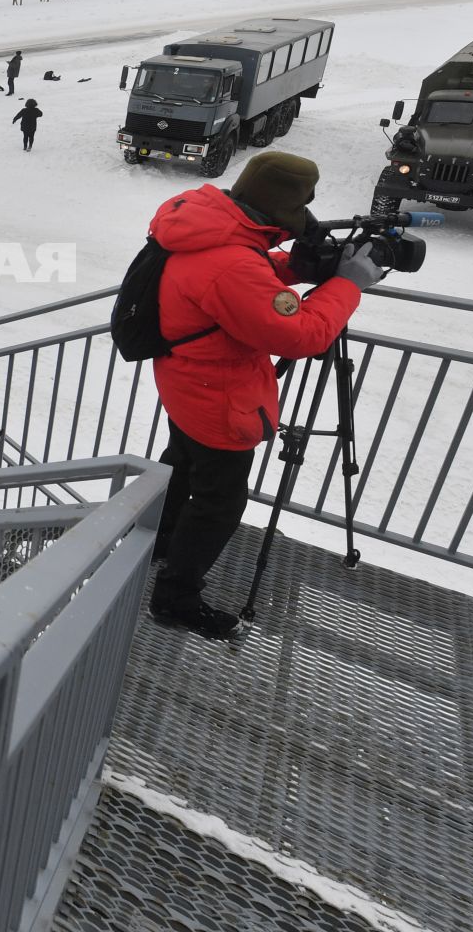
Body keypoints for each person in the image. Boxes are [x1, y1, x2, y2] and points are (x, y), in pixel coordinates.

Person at [147, 151, 378, 640]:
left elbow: (241, 271)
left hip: (186, 382)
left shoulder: (202, 225)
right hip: (218, 399)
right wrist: (348, 285)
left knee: (182, 466)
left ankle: (158, 543)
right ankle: (175, 596)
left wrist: (292, 267)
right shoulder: (230, 265)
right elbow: (301, 334)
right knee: (219, 502)